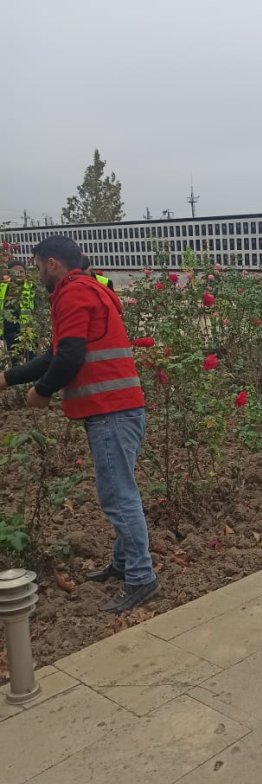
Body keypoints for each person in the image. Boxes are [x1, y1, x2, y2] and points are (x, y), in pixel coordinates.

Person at [0, 234, 159, 612]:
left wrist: (41, 392)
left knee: (118, 497)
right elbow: (56, 353)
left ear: (52, 263)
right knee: (122, 491)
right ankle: (124, 565)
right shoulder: (89, 290)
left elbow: (69, 356)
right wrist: (9, 377)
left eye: (38, 267)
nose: (39, 275)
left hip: (109, 411)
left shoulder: (72, 293)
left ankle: (141, 577)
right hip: (119, 408)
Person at [0, 259, 37, 361]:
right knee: (15, 360)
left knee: (32, 360)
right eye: (15, 272)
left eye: (21, 271)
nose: (19, 274)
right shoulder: (2, 287)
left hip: (29, 331)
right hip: (9, 330)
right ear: (9, 274)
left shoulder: (32, 287)